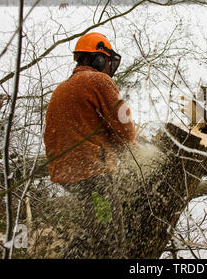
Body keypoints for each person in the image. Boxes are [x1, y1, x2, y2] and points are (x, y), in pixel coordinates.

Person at [43, 32, 136, 258]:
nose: (108, 67)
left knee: (93, 231)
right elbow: (123, 124)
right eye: (107, 61)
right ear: (99, 59)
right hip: (92, 175)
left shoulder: (63, 87)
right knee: (112, 236)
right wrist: (135, 144)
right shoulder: (98, 81)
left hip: (67, 173)